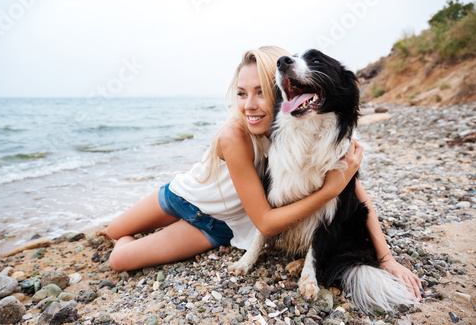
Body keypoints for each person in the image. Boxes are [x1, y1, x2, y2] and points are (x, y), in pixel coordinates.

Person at [101, 46, 422, 299]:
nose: (250, 105)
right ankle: (144, 228)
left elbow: (356, 198)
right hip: (179, 194)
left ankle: (154, 235)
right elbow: (282, 215)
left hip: (213, 225)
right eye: (241, 93)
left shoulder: (297, 133)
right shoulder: (235, 136)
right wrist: (328, 190)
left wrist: (386, 258)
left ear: (286, 91)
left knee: (119, 259)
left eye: (260, 92)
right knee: (113, 231)